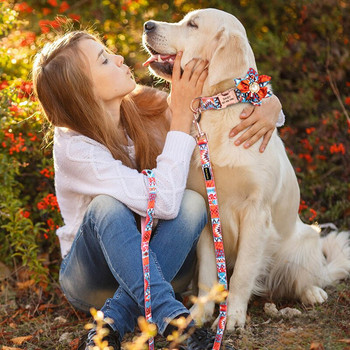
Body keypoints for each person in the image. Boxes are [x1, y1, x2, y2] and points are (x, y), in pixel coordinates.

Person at [32, 30, 283, 350]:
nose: (120, 58)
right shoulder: (74, 148)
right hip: (93, 279)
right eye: (105, 60)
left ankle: (111, 323)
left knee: (193, 203)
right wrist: (180, 118)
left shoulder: (147, 105)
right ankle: (176, 322)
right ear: (83, 90)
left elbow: (221, 112)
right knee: (106, 206)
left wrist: (271, 104)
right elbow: (161, 203)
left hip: (164, 262)